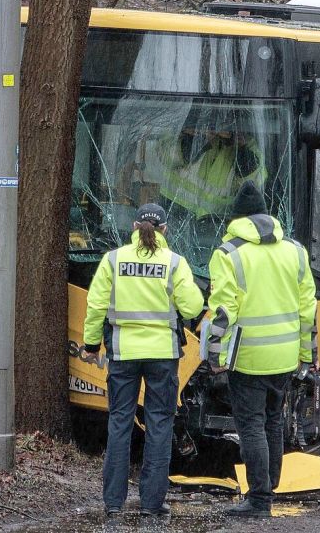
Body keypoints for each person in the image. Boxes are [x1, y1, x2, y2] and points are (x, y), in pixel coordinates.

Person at [81, 203, 204, 517]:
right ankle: (152, 503)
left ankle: (113, 502)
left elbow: (96, 306)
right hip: (163, 355)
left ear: (134, 227)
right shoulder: (174, 262)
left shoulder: (113, 259)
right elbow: (192, 308)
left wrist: (92, 343)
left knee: (119, 421)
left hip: (123, 354)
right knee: (160, 423)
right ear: (164, 230)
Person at [206, 181, 317, 517]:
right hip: (284, 356)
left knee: (251, 425)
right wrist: (307, 355)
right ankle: (270, 487)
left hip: (249, 357)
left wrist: (215, 355)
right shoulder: (295, 251)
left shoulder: (228, 254)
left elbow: (224, 311)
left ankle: (259, 500)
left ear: (236, 218)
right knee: (273, 420)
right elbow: (307, 309)